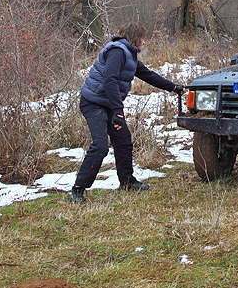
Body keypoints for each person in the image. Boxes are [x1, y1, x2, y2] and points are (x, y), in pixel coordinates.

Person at [71, 23, 184, 203]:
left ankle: (127, 181)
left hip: (108, 104)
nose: (144, 42)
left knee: (123, 140)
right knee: (100, 146)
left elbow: (148, 75)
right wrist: (118, 111)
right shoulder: (117, 52)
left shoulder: (129, 56)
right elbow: (110, 81)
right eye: (141, 38)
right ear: (134, 38)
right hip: (93, 103)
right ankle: (78, 189)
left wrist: (174, 88)